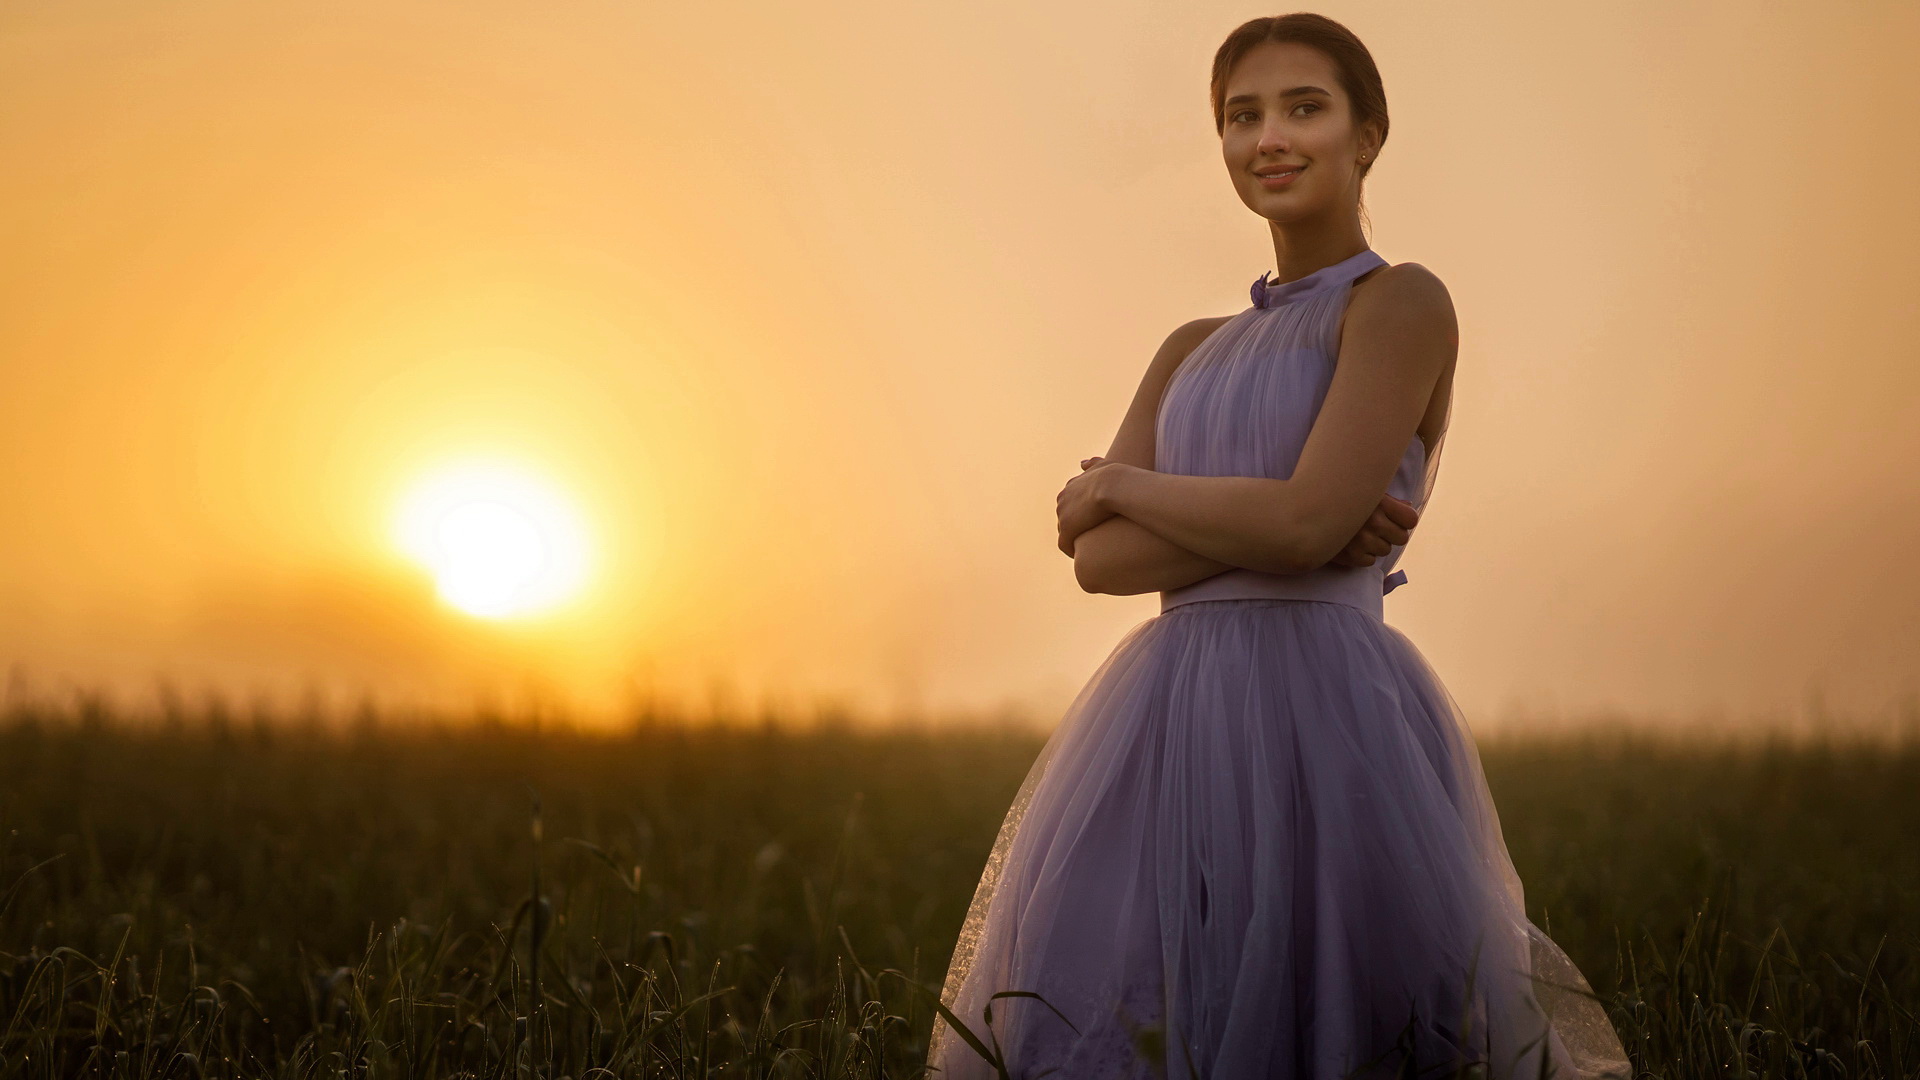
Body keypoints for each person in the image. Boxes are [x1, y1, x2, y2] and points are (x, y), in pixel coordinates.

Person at [927, 13, 1633, 1080]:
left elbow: (1291, 527)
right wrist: (1289, 523)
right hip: (1163, 724)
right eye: (1241, 116)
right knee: (1129, 1021)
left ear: (1368, 134)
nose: (1270, 138)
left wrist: (1125, 485)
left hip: (1334, 719)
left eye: (1305, 107)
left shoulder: (1400, 303)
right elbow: (1103, 565)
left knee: (1353, 1026)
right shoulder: (1188, 350)